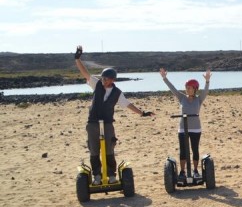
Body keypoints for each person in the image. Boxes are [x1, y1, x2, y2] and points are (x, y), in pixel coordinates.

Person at [74, 46, 154, 185]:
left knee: (109, 149)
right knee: (94, 150)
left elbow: (128, 104)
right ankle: (97, 175)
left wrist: (142, 113)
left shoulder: (117, 93)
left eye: (106, 79)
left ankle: (111, 174)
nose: (104, 81)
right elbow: (85, 73)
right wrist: (77, 59)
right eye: (103, 78)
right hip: (93, 123)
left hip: (107, 123)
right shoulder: (96, 84)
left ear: (112, 80)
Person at [160, 67, 212, 182]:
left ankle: (195, 171)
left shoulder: (199, 99)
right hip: (183, 129)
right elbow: (172, 89)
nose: (187, 89)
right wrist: (165, 78)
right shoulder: (181, 97)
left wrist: (207, 81)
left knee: (195, 149)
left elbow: (206, 91)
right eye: (186, 87)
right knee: (183, 150)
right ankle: (182, 171)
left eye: (189, 88)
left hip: (195, 129)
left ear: (195, 89)